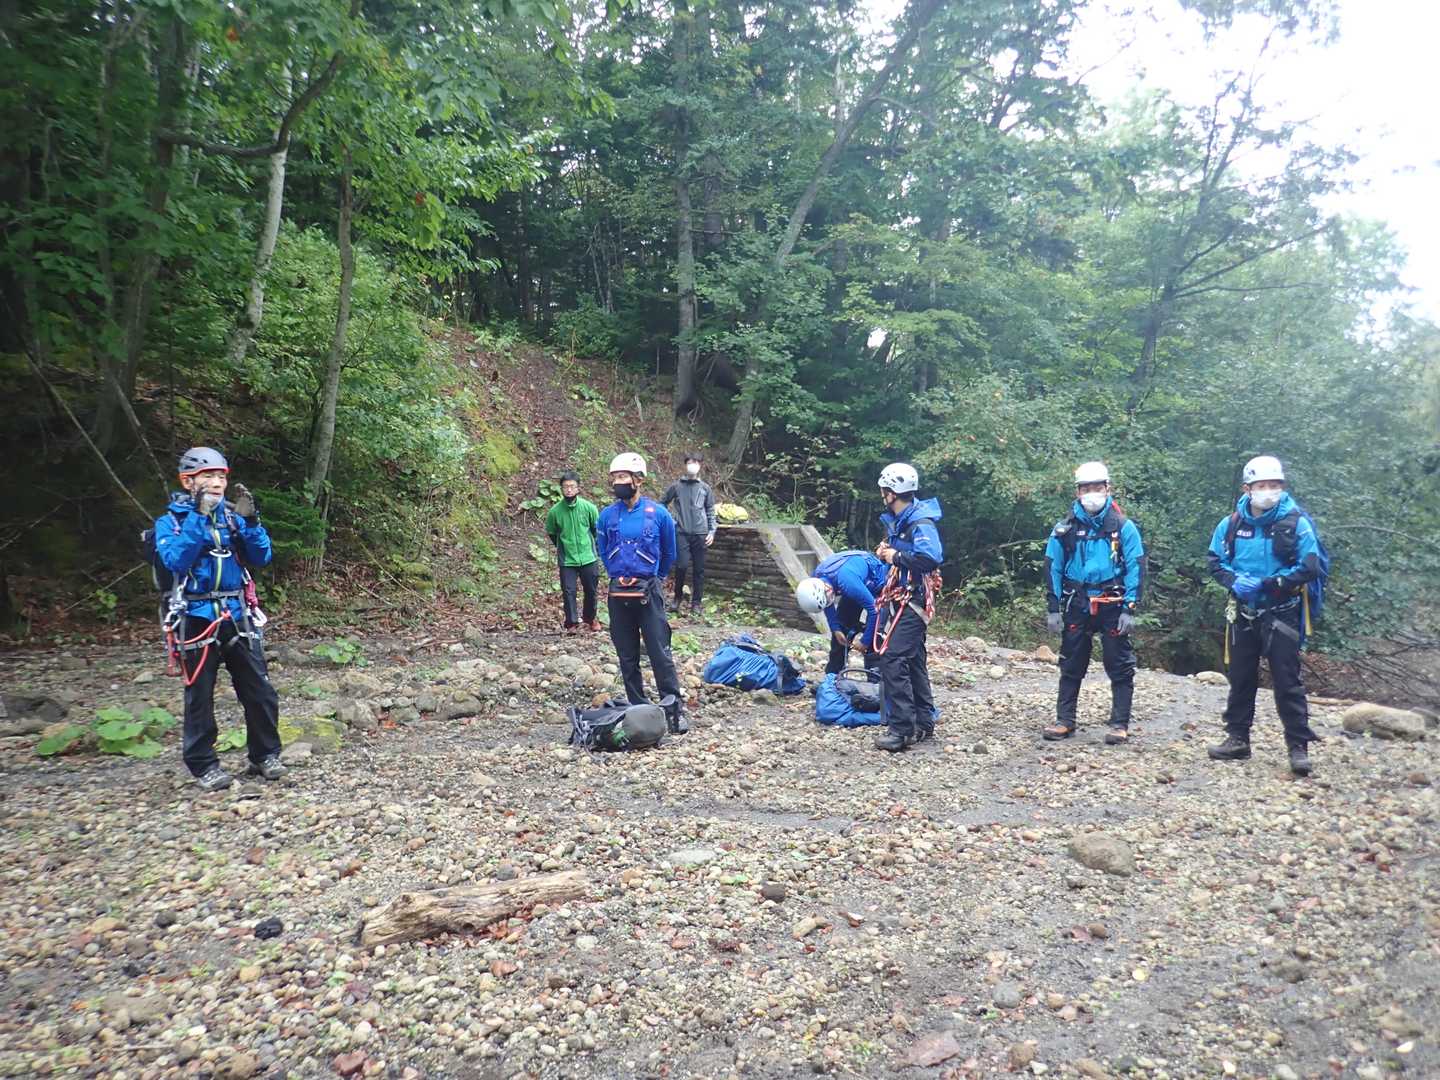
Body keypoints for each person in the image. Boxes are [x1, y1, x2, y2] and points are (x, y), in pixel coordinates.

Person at [156, 447, 283, 792]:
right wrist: (199, 516)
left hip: (236, 613)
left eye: (221, 477)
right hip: (194, 617)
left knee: (260, 690)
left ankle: (265, 755)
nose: (216, 483)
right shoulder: (170, 522)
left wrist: (252, 523)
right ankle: (203, 765)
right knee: (200, 695)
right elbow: (176, 560)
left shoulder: (232, 518)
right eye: (208, 477)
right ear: (188, 482)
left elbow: (261, 556)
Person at [1205, 455, 1322, 776]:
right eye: (1262, 485)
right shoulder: (1231, 524)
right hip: (1243, 612)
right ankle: (1237, 739)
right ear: (1247, 488)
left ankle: (1298, 747)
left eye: (1274, 485)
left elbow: (1310, 566)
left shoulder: (1296, 523)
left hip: (1282, 611)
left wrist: (1272, 583)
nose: (1269, 491)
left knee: (1287, 680)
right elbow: (1215, 561)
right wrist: (1233, 581)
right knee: (1241, 676)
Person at [1042, 461, 1145, 745]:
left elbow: (1136, 566)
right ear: (1077, 492)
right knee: (1071, 662)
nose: (1091, 493)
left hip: (1113, 602)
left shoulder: (1123, 527)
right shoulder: (1064, 529)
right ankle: (1065, 720)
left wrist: (1130, 607)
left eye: (1096, 487)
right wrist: (1053, 607)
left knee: (1119, 664)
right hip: (1078, 602)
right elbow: (1052, 567)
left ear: (1107, 488)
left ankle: (1119, 724)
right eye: (1085, 488)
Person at [597, 453, 687, 734]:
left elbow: (669, 552)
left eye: (623, 477)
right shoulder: (606, 515)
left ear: (638, 480)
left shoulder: (658, 514)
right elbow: (603, 549)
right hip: (618, 593)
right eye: (615, 478)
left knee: (660, 652)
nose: (618, 482)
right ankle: (639, 710)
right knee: (626, 655)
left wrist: (656, 579)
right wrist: (617, 574)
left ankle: (673, 710)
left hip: (649, 591)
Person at [872, 463, 943, 752]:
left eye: (884, 490)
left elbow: (929, 558)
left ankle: (901, 729)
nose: (882, 495)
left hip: (913, 600)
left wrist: (895, 556)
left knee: (892, 658)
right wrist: (888, 552)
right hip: (904, 597)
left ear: (891, 492)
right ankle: (923, 722)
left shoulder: (920, 522)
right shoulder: (902, 521)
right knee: (913, 659)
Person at [795, 550, 889, 675]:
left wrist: (864, 641)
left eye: (828, 597)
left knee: (874, 637)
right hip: (855, 581)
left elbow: (875, 611)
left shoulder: (848, 583)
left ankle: (874, 679)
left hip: (876, 583)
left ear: (827, 589)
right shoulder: (817, 579)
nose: (829, 600)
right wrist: (836, 629)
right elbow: (827, 603)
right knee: (841, 629)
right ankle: (832, 677)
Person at [660, 454, 717, 617]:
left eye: (696, 462)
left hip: (701, 533)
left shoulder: (705, 488)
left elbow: (710, 510)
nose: (693, 465)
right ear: (685, 465)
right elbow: (662, 503)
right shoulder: (676, 486)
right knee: (681, 566)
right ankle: (677, 598)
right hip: (681, 532)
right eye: (690, 462)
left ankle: (696, 603)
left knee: (699, 569)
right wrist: (672, 521)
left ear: (700, 465)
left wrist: (712, 531)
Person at [545, 471, 601, 633]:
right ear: (561, 489)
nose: (569, 490)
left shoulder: (589, 508)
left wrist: (592, 547)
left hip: (588, 557)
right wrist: (563, 546)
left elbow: (595, 530)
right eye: (565, 487)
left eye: (572, 486)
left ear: (578, 488)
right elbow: (552, 533)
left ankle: (590, 618)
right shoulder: (555, 512)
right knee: (568, 591)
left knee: (591, 590)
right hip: (567, 559)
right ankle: (571, 623)